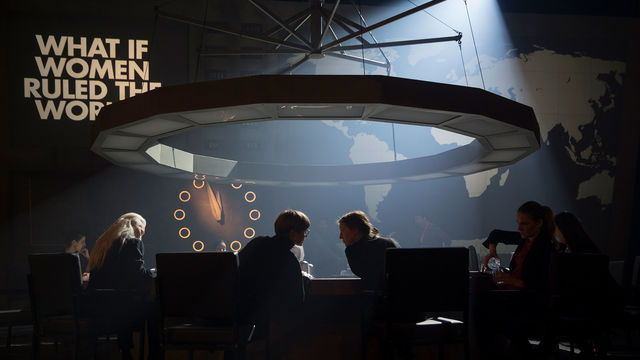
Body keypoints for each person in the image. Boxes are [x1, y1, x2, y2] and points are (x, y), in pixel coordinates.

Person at [477, 201, 555, 358]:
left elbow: (543, 285)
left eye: (524, 223)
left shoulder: (546, 247)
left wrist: (511, 281)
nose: (519, 228)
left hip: (529, 300)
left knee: (484, 310)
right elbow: (495, 234)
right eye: (518, 223)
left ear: (539, 223)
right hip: (515, 295)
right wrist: (492, 251)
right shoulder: (525, 240)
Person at [86, 212, 156, 359]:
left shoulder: (101, 245)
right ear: (132, 225)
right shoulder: (132, 242)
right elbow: (139, 277)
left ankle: (127, 351)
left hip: (96, 309)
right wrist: (155, 271)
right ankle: (153, 354)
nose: (142, 234)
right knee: (154, 307)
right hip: (121, 310)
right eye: (141, 229)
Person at [238, 209, 310, 344]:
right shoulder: (288, 259)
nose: (305, 235)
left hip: (237, 314)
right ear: (293, 233)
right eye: (304, 232)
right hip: (264, 324)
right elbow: (297, 300)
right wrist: (305, 281)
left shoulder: (257, 242)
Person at [339, 210, 399, 291]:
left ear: (355, 230)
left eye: (342, 230)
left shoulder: (352, 251)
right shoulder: (388, 242)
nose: (340, 236)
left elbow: (366, 275)